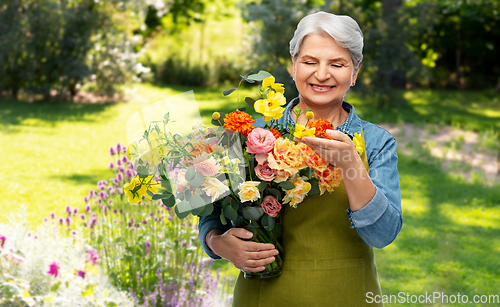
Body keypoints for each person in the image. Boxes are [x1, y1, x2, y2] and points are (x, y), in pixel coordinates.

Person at [198, 11, 402, 306]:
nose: (321, 74)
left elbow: (382, 235)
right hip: (263, 297)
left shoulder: (376, 142)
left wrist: (351, 165)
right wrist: (218, 243)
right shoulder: (252, 134)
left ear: (355, 72)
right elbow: (210, 213)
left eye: (337, 64)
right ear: (293, 67)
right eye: (309, 62)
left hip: (349, 296)